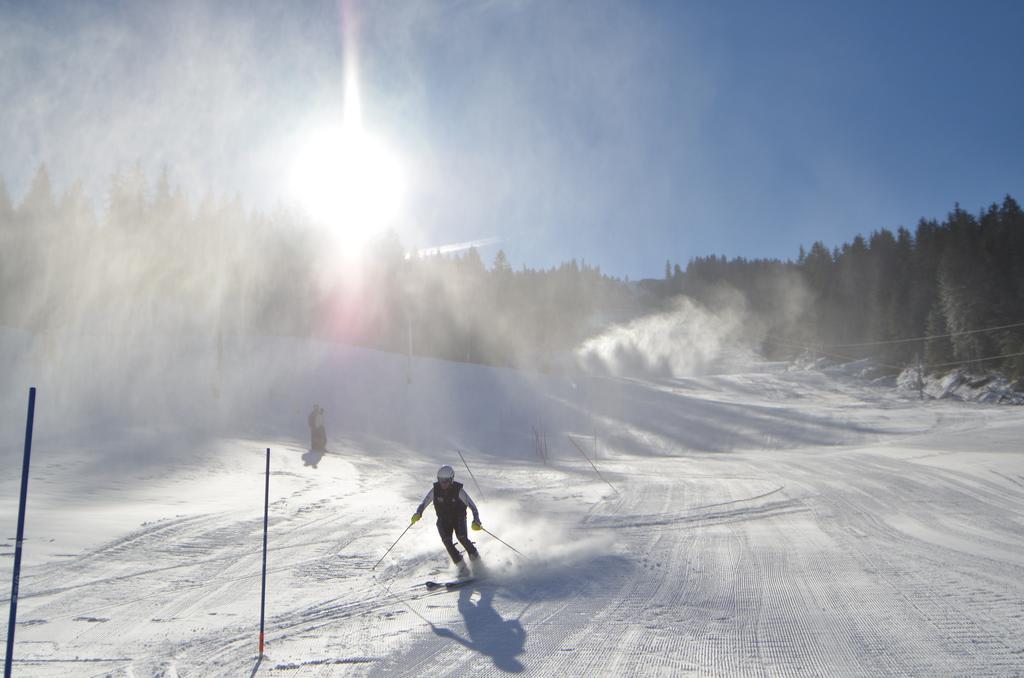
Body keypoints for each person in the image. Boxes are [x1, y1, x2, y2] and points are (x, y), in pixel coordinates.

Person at [412, 465, 483, 576]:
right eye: (440, 480)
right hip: (443, 520)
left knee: (462, 537)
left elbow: (473, 507)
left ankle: (476, 559)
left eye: (446, 481)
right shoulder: (435, 490)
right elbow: (424, 502)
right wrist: (418, 513)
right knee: (446, 541)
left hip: (458, 518)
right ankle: (461, 566)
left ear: (451, 479)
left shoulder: (458, 491)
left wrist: (476, 520)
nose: (443, 483)